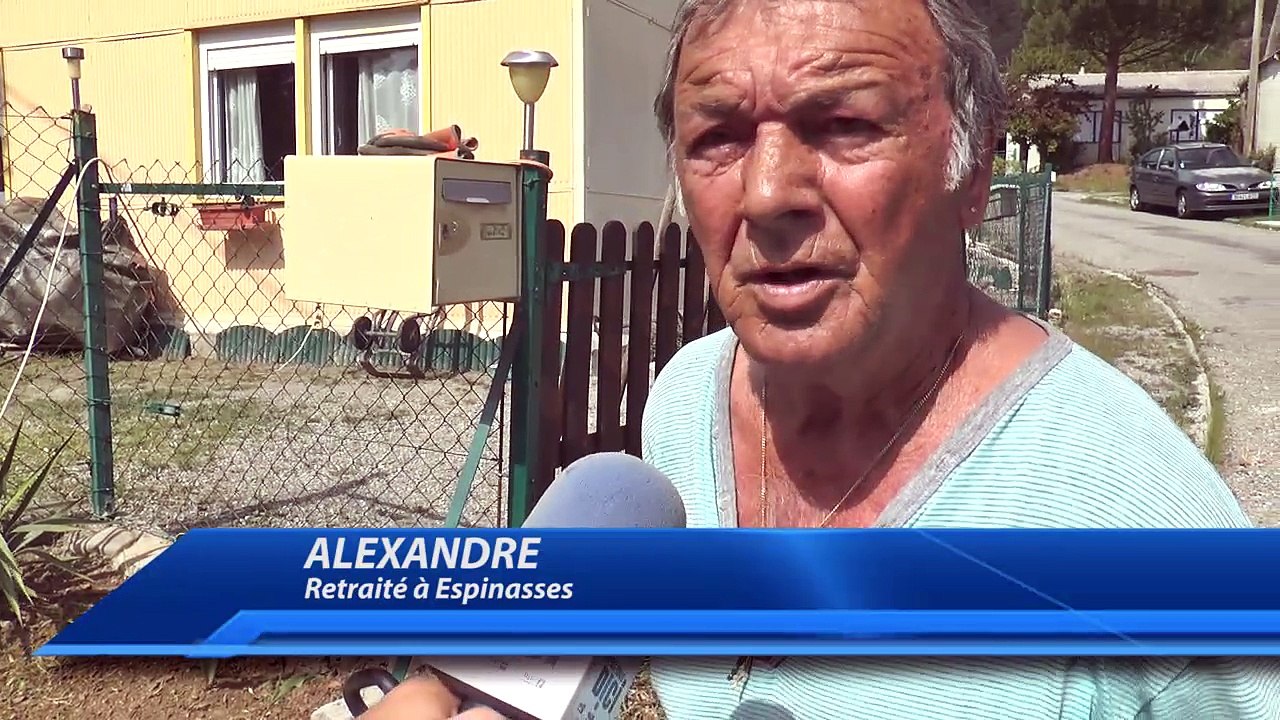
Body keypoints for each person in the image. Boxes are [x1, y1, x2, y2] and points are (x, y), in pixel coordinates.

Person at [358, 0, 1280, 718]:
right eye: (718, 137)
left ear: (971, 172)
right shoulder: (683, 402)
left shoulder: (1151, 545)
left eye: (843, 123)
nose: (765, 194)